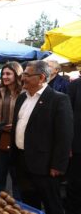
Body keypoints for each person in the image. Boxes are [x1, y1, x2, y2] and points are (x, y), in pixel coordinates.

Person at [12, 60, 73, 214]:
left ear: (41, 78)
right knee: (29, 206)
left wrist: (58, 165)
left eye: (27, 74)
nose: (23, 78)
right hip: (22, 161)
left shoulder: (58, 99)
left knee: (52, 206)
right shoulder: (22, 98)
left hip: (45, 167)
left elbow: (64, 135)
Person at [0, 62, 23, 199]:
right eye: (3, 74)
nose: (4, 76)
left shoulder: (24, 92)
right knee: (0, 172)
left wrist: (15, 126)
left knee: (17, 175)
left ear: (17, 74)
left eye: (8, 73)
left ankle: (19, 205)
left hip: (16, 138)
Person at [65, 71, 81, 214]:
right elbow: (67, 118)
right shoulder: (75, 86)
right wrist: (67, 144)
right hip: (77, 146)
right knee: (75, 184)